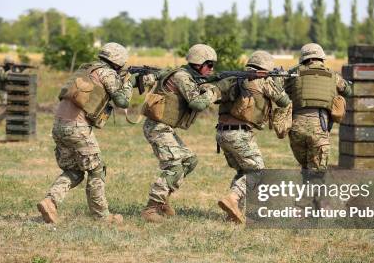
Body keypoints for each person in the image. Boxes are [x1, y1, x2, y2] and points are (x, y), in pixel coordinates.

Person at [38, 42, 137, 224]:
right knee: (96, 170)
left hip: (59, 125)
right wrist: (130, 82)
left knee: (74, 171)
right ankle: (102, 216)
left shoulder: (86, 69)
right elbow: (122, 101)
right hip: (77, 128)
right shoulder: (106, 73)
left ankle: (50, 201)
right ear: (119, 61)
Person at [140, 44, 222, 223]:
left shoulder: (188, 76)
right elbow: (197, 103)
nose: (212, 69)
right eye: (209, 65)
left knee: (190, 160)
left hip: (164, 128)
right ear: (198, 63)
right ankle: (151, 208)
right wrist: (214, 91)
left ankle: (163, 200)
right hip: (157, 127)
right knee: (174, 166)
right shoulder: (182, 76)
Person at [215, 51, 291, 223]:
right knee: (258, 172)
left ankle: (233, 213)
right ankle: (233, 199)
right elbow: (284, 101)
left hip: (221, 132)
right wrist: (278, 82)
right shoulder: (262, 81)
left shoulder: (235, 78)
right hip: (239, 133)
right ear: (266, 69)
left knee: (244, 171)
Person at [286, 43, 352, 187]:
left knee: (307, 170)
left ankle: (313, 206)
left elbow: (281, 89)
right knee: (316, 174)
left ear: (303, 58)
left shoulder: (294, 73)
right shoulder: (333, 75)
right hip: (319, 127)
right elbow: (348, 91)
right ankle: (303, 207)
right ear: (321, 58)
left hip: (296, 127)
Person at [0, 55, 14, 124]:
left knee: (11, 106)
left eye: (12, 64)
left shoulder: (8, 70)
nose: (11, 66)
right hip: (1, 90)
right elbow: (2, 78)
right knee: (8, 105)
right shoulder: (0, 69)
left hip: (7, 90)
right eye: (10, 64)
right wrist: (9, 72)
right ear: (6, 64)